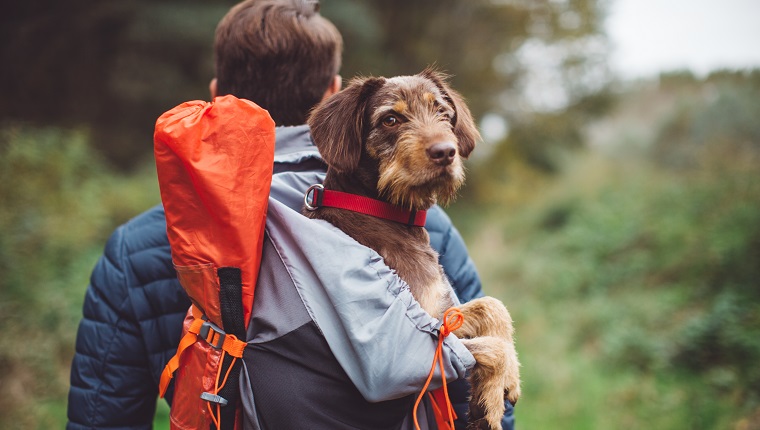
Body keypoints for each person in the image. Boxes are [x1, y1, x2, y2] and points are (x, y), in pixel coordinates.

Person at [66, 0, 515, 429]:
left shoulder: (136, 247)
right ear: (335, 93)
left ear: (216, 96)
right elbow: (478, 398)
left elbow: (103, 418)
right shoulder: (423, 222)